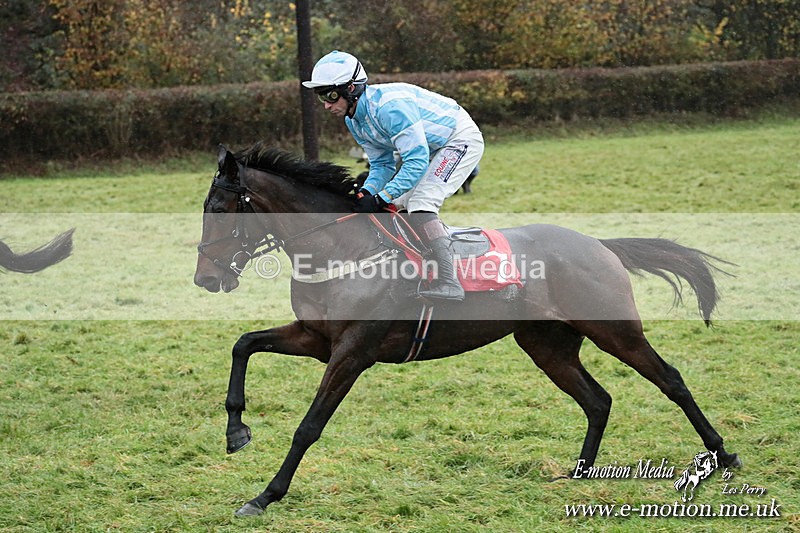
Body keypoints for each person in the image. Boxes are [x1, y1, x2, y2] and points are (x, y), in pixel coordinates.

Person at [302, 51, 485, 302]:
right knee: (397, 205)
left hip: (458, 139)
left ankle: (449, 280)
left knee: (421, 202)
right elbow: (382, 164)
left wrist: (381, 197)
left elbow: (416, 161)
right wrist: (367, 192)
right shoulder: (354, 120)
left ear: (351, 89)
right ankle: (413, 271)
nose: (326, 104)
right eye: (320, 96)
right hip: (428, 147)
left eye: (330, 95)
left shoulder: (389, 109)